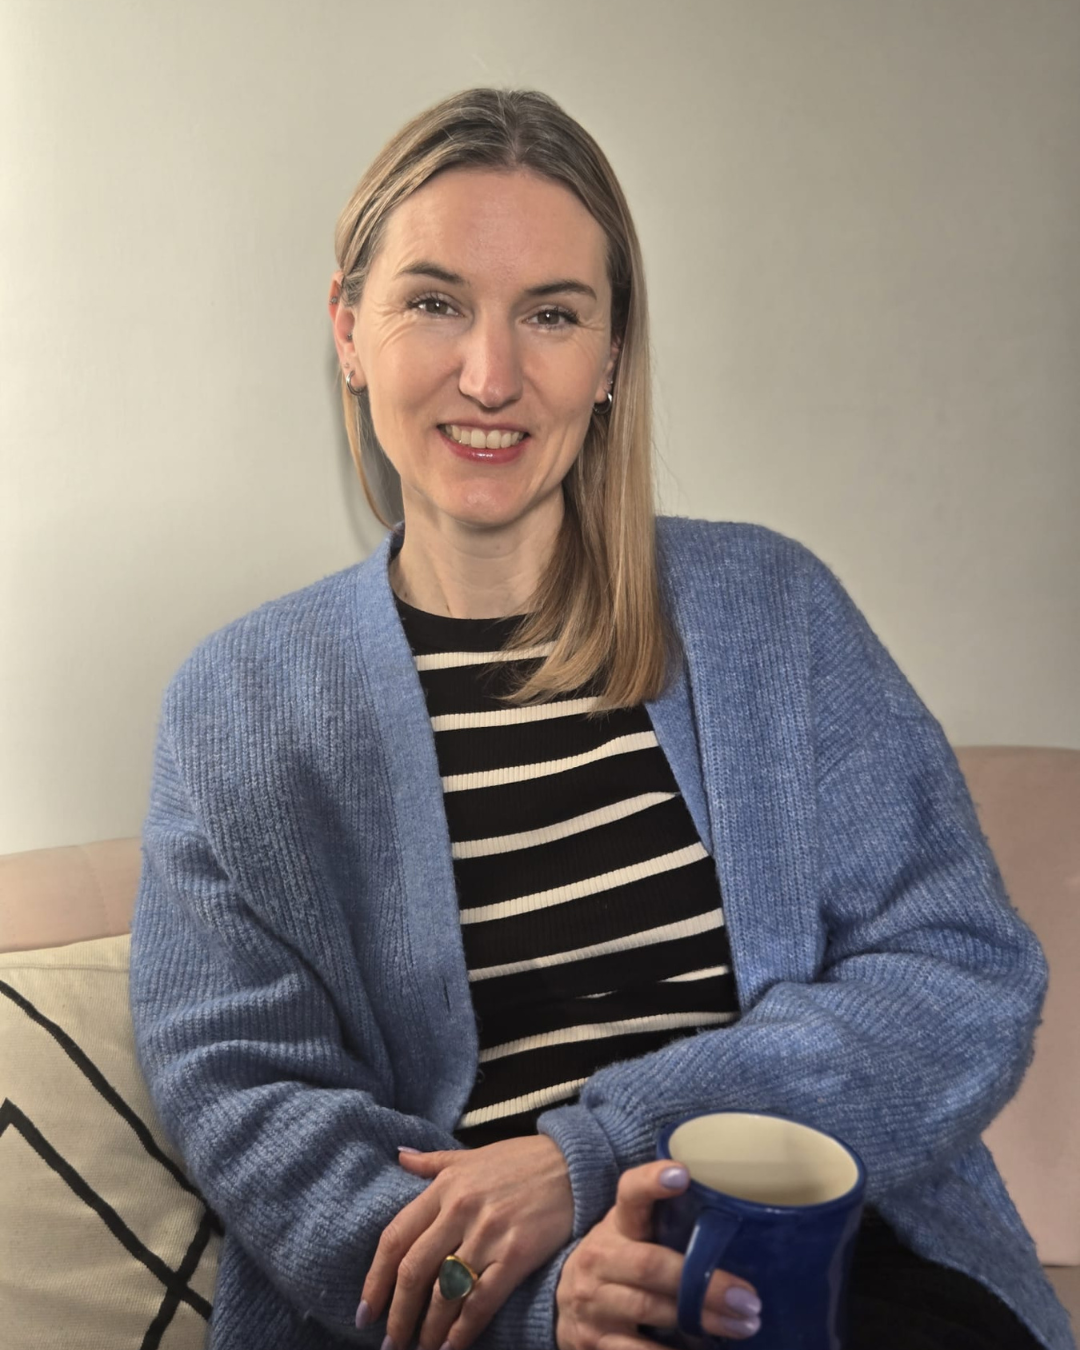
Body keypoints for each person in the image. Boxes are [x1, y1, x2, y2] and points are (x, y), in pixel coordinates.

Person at [129, 88, 1073, 1350]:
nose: (492, 375)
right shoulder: (240, 705)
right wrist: (528, 1302)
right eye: (434, 302)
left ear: (614, 354)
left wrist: (597, 1149)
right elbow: (248, 1103)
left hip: (827, 1281)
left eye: (554, 315)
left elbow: (961, 972)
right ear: (349, 331)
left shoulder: (770, 612)